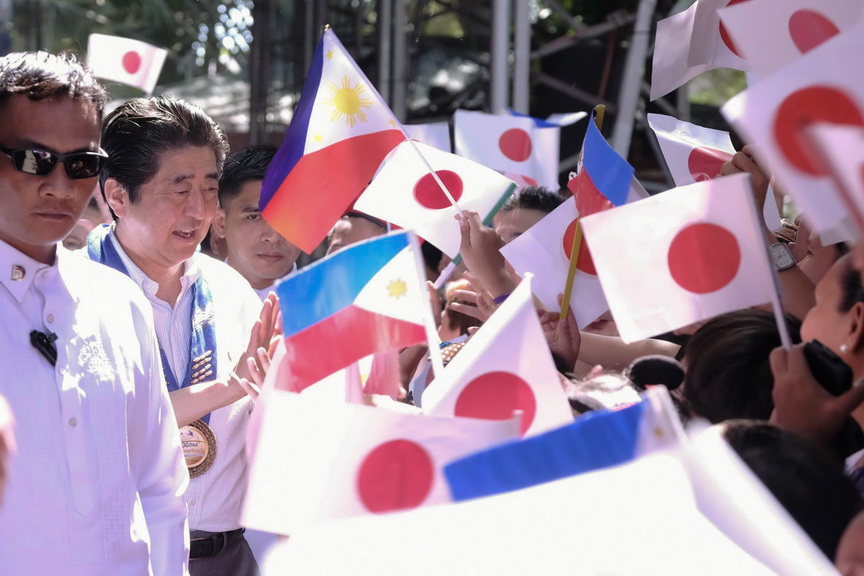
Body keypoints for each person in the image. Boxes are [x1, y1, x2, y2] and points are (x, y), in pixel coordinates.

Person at [0, 51, 188, 574]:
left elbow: (161, 488)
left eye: (82, 164)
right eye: (33, 159)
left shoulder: (118, 299)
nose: (60, 185)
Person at [90, 95, 276, 574]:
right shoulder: (75, 294)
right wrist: (224, 389)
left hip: (228, 555)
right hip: (117, 555)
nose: (199, 211)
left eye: (210, 189)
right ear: (117, 196)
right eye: (179, 189)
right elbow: (101, 425)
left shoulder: (231, 290)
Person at [213, 144, 301, 300]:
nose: (273, 236)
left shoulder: (334, 308)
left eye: (289, 216)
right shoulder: (189, 302)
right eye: (254, 217)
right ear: (220, 223)